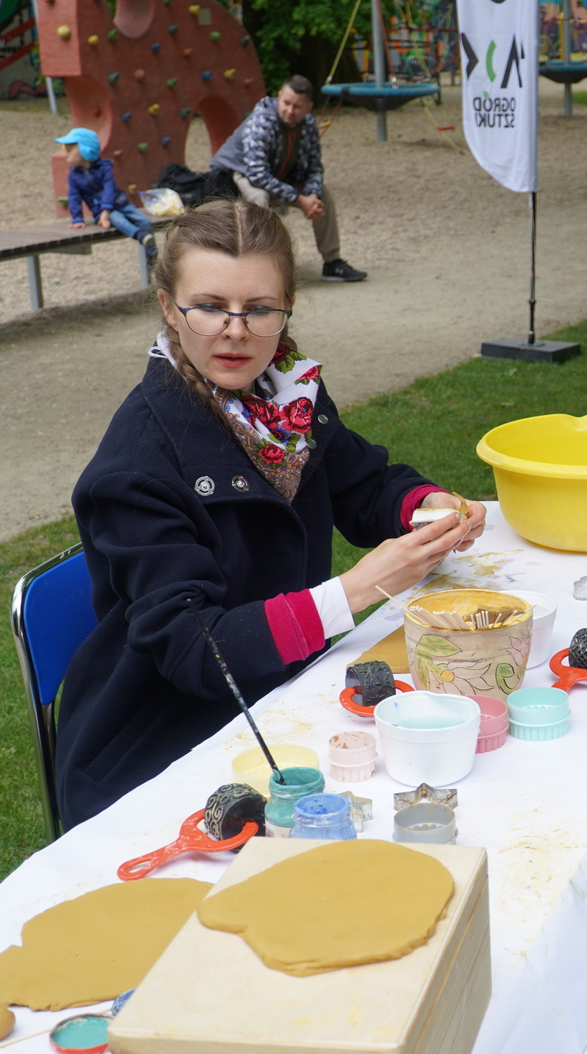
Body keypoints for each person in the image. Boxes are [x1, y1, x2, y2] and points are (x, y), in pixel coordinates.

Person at [56, 199, 483, 826]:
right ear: (169, 307)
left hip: (280, 700)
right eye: (209, 307)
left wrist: (426, 506)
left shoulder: (284, 400)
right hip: (162, 753)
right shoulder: (136, 467)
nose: (236, 331)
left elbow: (363, 484)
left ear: (287, 309)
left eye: (259, 309)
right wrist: (359, 589)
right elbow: (198, 652)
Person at [206, 75, 365, 283]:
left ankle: (332, 262)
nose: (290, 110)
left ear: (309, 107)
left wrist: (312, 196)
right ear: (279, 96)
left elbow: (314, 167)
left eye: (297, 107)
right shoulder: (262, 121)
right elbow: (257, 174)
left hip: (279, 176)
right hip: (240, 173)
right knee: (259, 198)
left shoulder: (308, 125)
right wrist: (299, 200)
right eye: (286, 103)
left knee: (323, 194)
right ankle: (260, 266)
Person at [55, 127, 157, 259]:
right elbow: (74, 197)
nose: (66, 155)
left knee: (144, 221)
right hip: (99, 211)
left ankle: (152, 258)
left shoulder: (105, 168)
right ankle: (140, 236)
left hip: (120, 204)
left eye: (69, 151)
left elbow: (110, 189)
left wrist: (106, 210)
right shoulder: (74, 176)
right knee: (118, 219)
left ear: (86, 150)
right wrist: (77, 219)